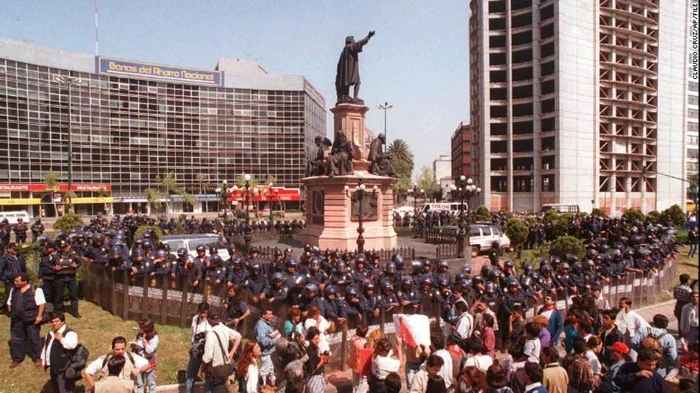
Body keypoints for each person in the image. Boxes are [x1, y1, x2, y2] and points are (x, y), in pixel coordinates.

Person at [7, 272, 45, 368]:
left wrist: (39, 316)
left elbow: (41, 304)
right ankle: (17, 358)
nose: (14, 282)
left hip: (31, 319)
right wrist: (11, 310)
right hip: (16, 320)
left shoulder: (36, 289)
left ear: (24, 281)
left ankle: (37, 358)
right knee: (16, 340)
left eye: (17, 281)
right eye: (14, 280)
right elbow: (9, 302)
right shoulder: (13, 290)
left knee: (34, 339)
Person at [84, 336, 150, 389]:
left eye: (122, 349)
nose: (120, 351)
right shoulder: (105, 359)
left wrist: (139, 370)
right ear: (112, 348)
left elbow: (147, 364)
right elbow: (87, 372)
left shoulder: (132, 357)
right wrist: (95, 388)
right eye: (117, 349)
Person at [201, 310, 242, 393]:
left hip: (214, 370)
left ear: (209, 320)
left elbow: (208, 356)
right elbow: (239, 336)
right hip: (225, 367)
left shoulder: (211, 334)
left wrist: (202, 369)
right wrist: (232, 352)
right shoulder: (224, 328)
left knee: (211, 388)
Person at [41, 312, 79, 393]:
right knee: (56, 388)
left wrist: (61, 339)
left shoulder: (69, 333)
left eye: (56, 321)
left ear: (63, 321)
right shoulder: (50, 334)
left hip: (64, 367)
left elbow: (72, 345)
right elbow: (46, 348)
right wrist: (44, 362)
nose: (54, 323)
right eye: (52, 321)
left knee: (65, 389)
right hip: (54, 367)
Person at [335, 30, 376, 103]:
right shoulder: (350, 47)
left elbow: (338, 65)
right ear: (350, 41)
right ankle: (355, 97)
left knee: (348, 84)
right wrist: (368, 36)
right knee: (358, 82)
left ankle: (346, 96)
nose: (354, 41)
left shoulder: (344, 51)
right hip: (352, 71)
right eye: (353, 40)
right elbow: (360, 43)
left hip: (346, 73)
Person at [186, 302, 211, 393]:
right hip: (196, 351)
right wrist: (193, 345)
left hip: (207, 351)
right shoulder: (195, 319)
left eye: (204, 313)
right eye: (200, 312)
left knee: (208, 376)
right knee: (190, 374)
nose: (202, 315)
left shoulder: (210, 322)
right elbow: (192, 333)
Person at [131, 318, 159, 393]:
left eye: (140, 327)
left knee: (151, 383)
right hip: (139, 362)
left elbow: (149, 350)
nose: (139, 328)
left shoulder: (154, 337)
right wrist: (134, 345)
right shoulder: (139, 335)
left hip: (149, 363)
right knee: (140, 384)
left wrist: (145, 342)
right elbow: (136, 345)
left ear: (146, 328)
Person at [254, 307, 278, 387]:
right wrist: (275, 339)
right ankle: (261, 385)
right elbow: (263, 341)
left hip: (270, 351)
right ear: (263, 315)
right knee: (264, 370)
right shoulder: (261, 325)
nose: (271, 316)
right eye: (269, 314)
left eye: (272, 314)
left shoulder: (266, 323)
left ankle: (271, 385)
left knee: (271, 369)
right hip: (266, 352)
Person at [305, 326, 329, 393]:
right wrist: (321, 362)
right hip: (314, 379)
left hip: (319, 377)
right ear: (309, 339)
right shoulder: (310, 352)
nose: (317, 341)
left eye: (318, 338)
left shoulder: (316, 348)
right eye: (314, 339)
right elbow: (312, 370)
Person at [349, 323, 370, 393]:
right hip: (361, 364)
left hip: (354, 362)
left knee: (355, 381)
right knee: (363, 382)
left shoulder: (353, 338)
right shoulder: (363, 343)